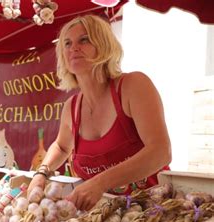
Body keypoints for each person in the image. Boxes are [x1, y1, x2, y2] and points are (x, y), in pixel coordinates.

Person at [27, 15, 171, 211]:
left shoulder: (133, 86)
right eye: (67, 43)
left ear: (103, 45)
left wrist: (99, 182)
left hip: (156, 212)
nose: (73, 48)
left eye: (84, 40)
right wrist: (41, 173)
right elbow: (61, 147)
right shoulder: (72, 107)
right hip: (105, 220)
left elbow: (161, 152)